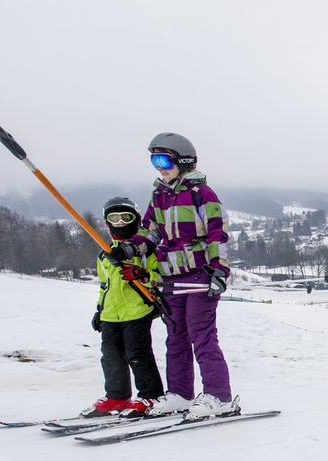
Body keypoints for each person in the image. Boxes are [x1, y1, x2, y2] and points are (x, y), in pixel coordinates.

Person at [109, 132, 237, 420]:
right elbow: (150, 232)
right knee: (175, 338)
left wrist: (220, 269)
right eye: (154, 160)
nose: (160, 167)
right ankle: (180, 394)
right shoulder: (159, 196)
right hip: (170, 278)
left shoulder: (202, 194)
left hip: (200, 276)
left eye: (165, 159)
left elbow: (218, 233)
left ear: (184, 161)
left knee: (201, 335)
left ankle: (219, 395)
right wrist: (129, 249)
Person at [82, 197, 165, 417]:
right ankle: (117, 396)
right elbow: (104, 285)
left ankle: (151, 395)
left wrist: (143, 275)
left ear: (136, 220)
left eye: (125, 218)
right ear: (107, 223)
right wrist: (100, 310)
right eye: (114, 219)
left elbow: (161, 278)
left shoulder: (145, 251)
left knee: (136, 353)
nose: (120, 223)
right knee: (110, 355)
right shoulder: (105, 253)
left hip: (137, 310)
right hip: (111, 313)